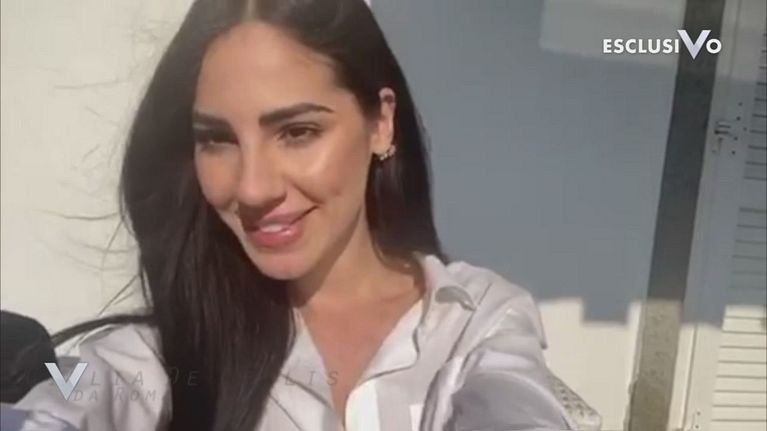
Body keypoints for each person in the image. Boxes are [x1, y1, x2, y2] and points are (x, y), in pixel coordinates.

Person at [13, 0, 576, 430]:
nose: (253, 188)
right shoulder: (163, 352)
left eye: (298, 131)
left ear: (381, 124)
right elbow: (70, 391)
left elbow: (515, 406)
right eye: (217, 140)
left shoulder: (474, 322)